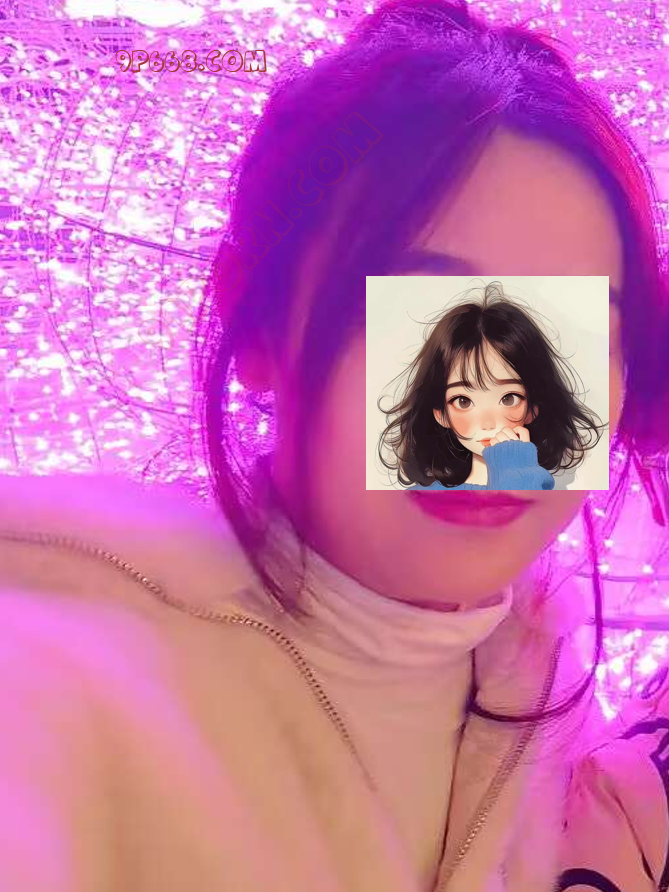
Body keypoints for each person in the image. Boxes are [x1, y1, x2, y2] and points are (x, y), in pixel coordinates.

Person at [1, 1, 669, 891]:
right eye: (428, 311)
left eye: (569, 333)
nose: (499, 423)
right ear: (259, 324)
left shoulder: (552, 706)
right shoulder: (65, 665)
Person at [378, 280, 607, 490]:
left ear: (533, 408)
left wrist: (514, 469)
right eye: (463, 401)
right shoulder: (419, 500)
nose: (488, 423)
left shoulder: (541, 493)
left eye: (508, 398)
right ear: (441, 414)